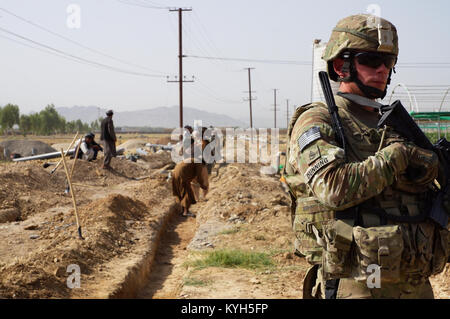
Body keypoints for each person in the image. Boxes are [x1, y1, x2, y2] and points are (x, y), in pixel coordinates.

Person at [283, 14, 449, 299]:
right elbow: (333, 188)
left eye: (389, 62)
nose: (383, 69)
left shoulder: (395, 124)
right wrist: (398, 156)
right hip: (358, 283)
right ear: (340, 65)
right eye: (371, 61)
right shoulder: (319, 119)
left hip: (415, 281)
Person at [172, 139, 209, 217]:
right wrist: (203, 185)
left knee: (181, 192)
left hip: (175, 173)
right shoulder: (198, 163)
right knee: (187, 193)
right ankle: (185, 212)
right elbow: (199, 177)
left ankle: (183, 211)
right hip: (182, 175)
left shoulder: (193, 160)